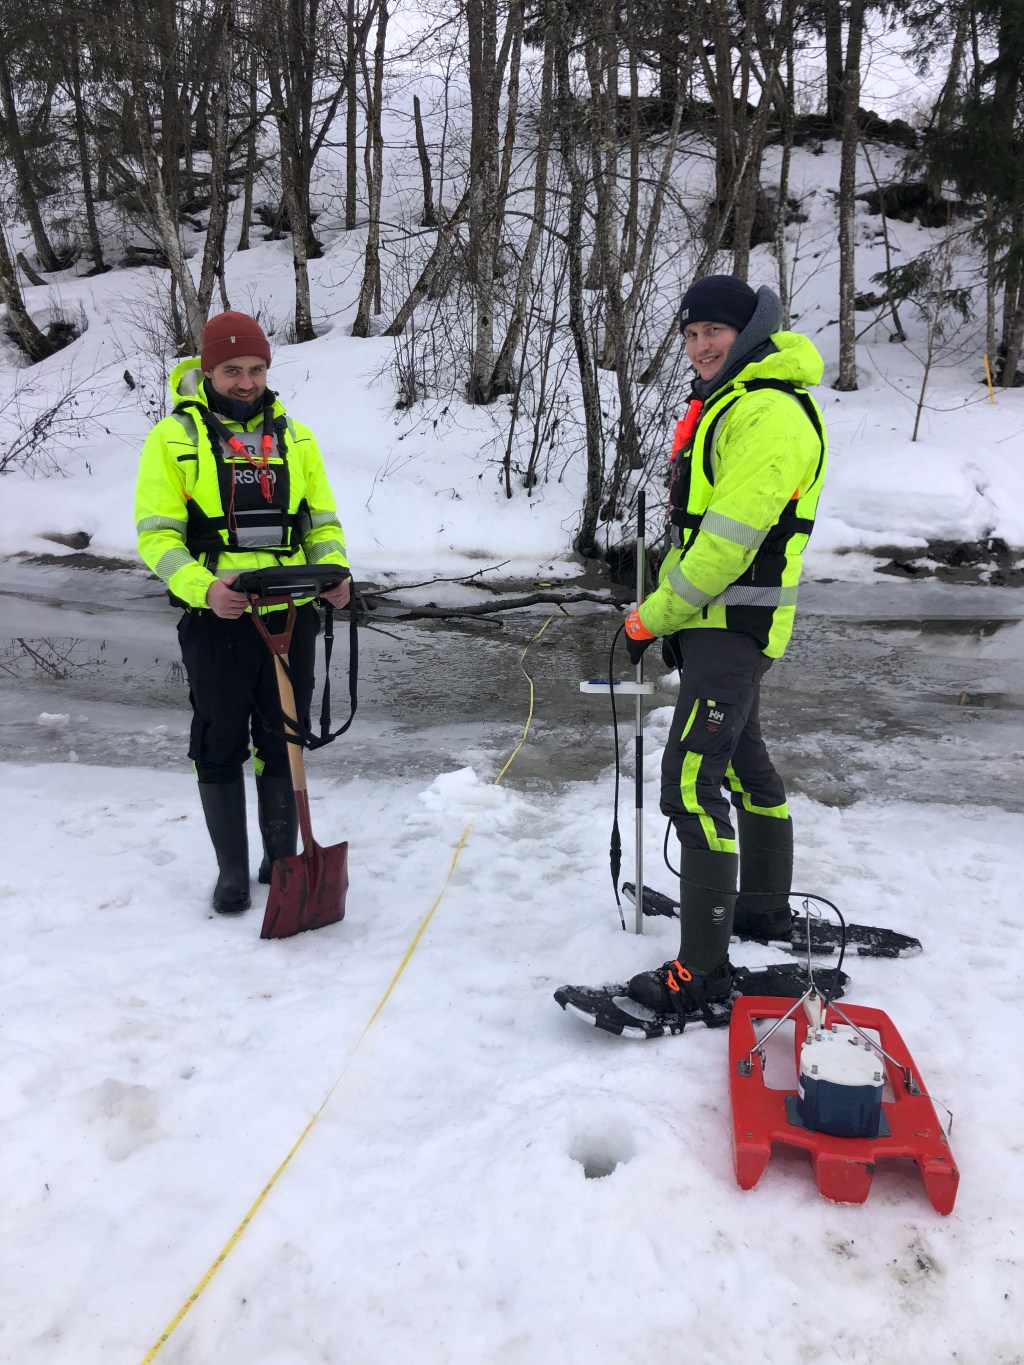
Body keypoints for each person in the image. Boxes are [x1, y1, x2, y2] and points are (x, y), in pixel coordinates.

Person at [622, 274, 827, 1020]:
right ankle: (764, 910)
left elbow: (725, 549)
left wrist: (652, 618)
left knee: (689, 784)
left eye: (715, 330)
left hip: (734, 627)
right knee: (746, 766)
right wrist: (666, 613)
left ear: (748, 333)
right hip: (718, 626)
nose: (701, 344)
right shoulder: (733, 403)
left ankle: (702, 970)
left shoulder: (769, 413)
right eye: (691, 332)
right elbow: (695, 539)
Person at [134, 310, 351, 915]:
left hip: (291, 612)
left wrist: (335, 576)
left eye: (256, 368)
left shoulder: (297, 438)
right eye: (232, 369)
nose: (246, 381)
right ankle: (231, 871)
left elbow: (322, 523)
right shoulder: (172, 439)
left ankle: (281, 861)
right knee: (220, 737)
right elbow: (157, 537)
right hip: (218, 618)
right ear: (208, 369)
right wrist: (204, 588)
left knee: (283, 739)